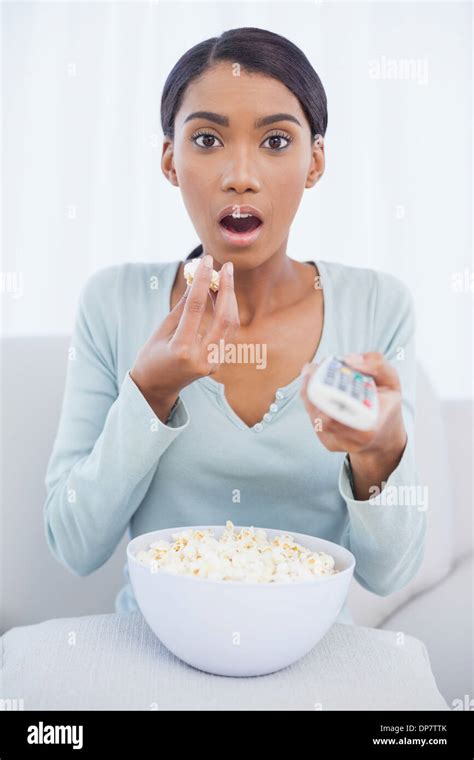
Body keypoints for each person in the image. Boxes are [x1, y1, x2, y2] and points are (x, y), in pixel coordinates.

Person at [44, 27, 426, 625]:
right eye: (206, 139)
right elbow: (74, 544)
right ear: (170, 159)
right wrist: (151, 391)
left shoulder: (376, 305)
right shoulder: (112, 301)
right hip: (157, 637)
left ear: (315, 162)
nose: (240, 175)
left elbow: (390, 571)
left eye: (276, 140)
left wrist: (380, 454)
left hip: (314, 648)